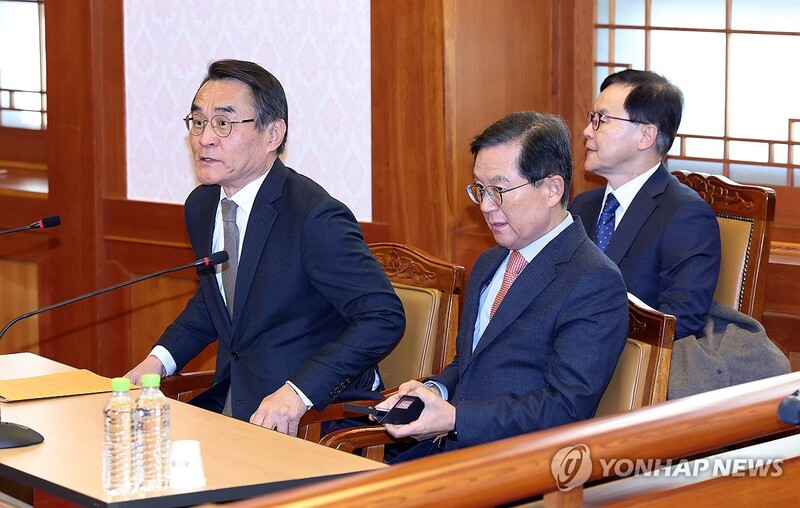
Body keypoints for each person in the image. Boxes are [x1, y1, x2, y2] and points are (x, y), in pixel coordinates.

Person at [126, 59, 405, 436]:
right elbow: (217, 302)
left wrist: (298, 393)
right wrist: (157, 361)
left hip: (311, 419)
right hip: (235, 402)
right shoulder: (202, 205)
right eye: (198, 121)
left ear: (273, 134)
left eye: (223, 123)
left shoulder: (313, 215)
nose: (205, 138)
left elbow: (382, 316)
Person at [378, 111, 629, 461]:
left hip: (518, 464)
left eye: (498, 190)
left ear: (552, 189)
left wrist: (456, 419)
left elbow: (565, 407)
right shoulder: (490, 262)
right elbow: (471, 364)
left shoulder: (592, 280)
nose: (485, 206)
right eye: (480, 189)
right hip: (449, 450)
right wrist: (434, 391)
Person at [570, 69, 721, 340]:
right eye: (592, 118)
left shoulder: (685, 215)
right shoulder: (582, 206)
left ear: (646, 136)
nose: (587, 132)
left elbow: (677, 324)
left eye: (602, 120)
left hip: (629, 361)